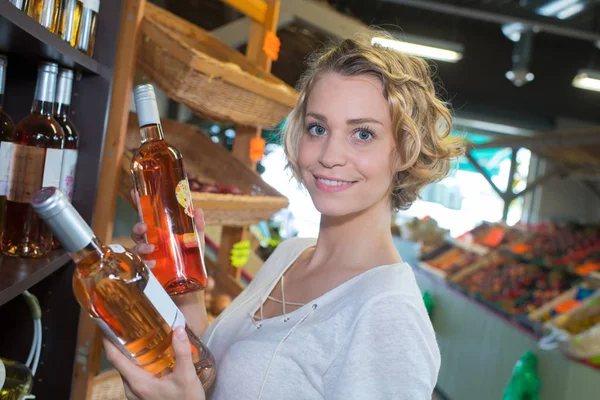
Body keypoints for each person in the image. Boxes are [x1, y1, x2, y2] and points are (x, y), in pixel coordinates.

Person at [103, 32, 465, 399]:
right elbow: (217, 377)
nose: (329, 154)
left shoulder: (389, 316)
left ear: (404, 150)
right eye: (318, 128)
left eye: (363, 133)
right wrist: (185, 285)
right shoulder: (291, 254)